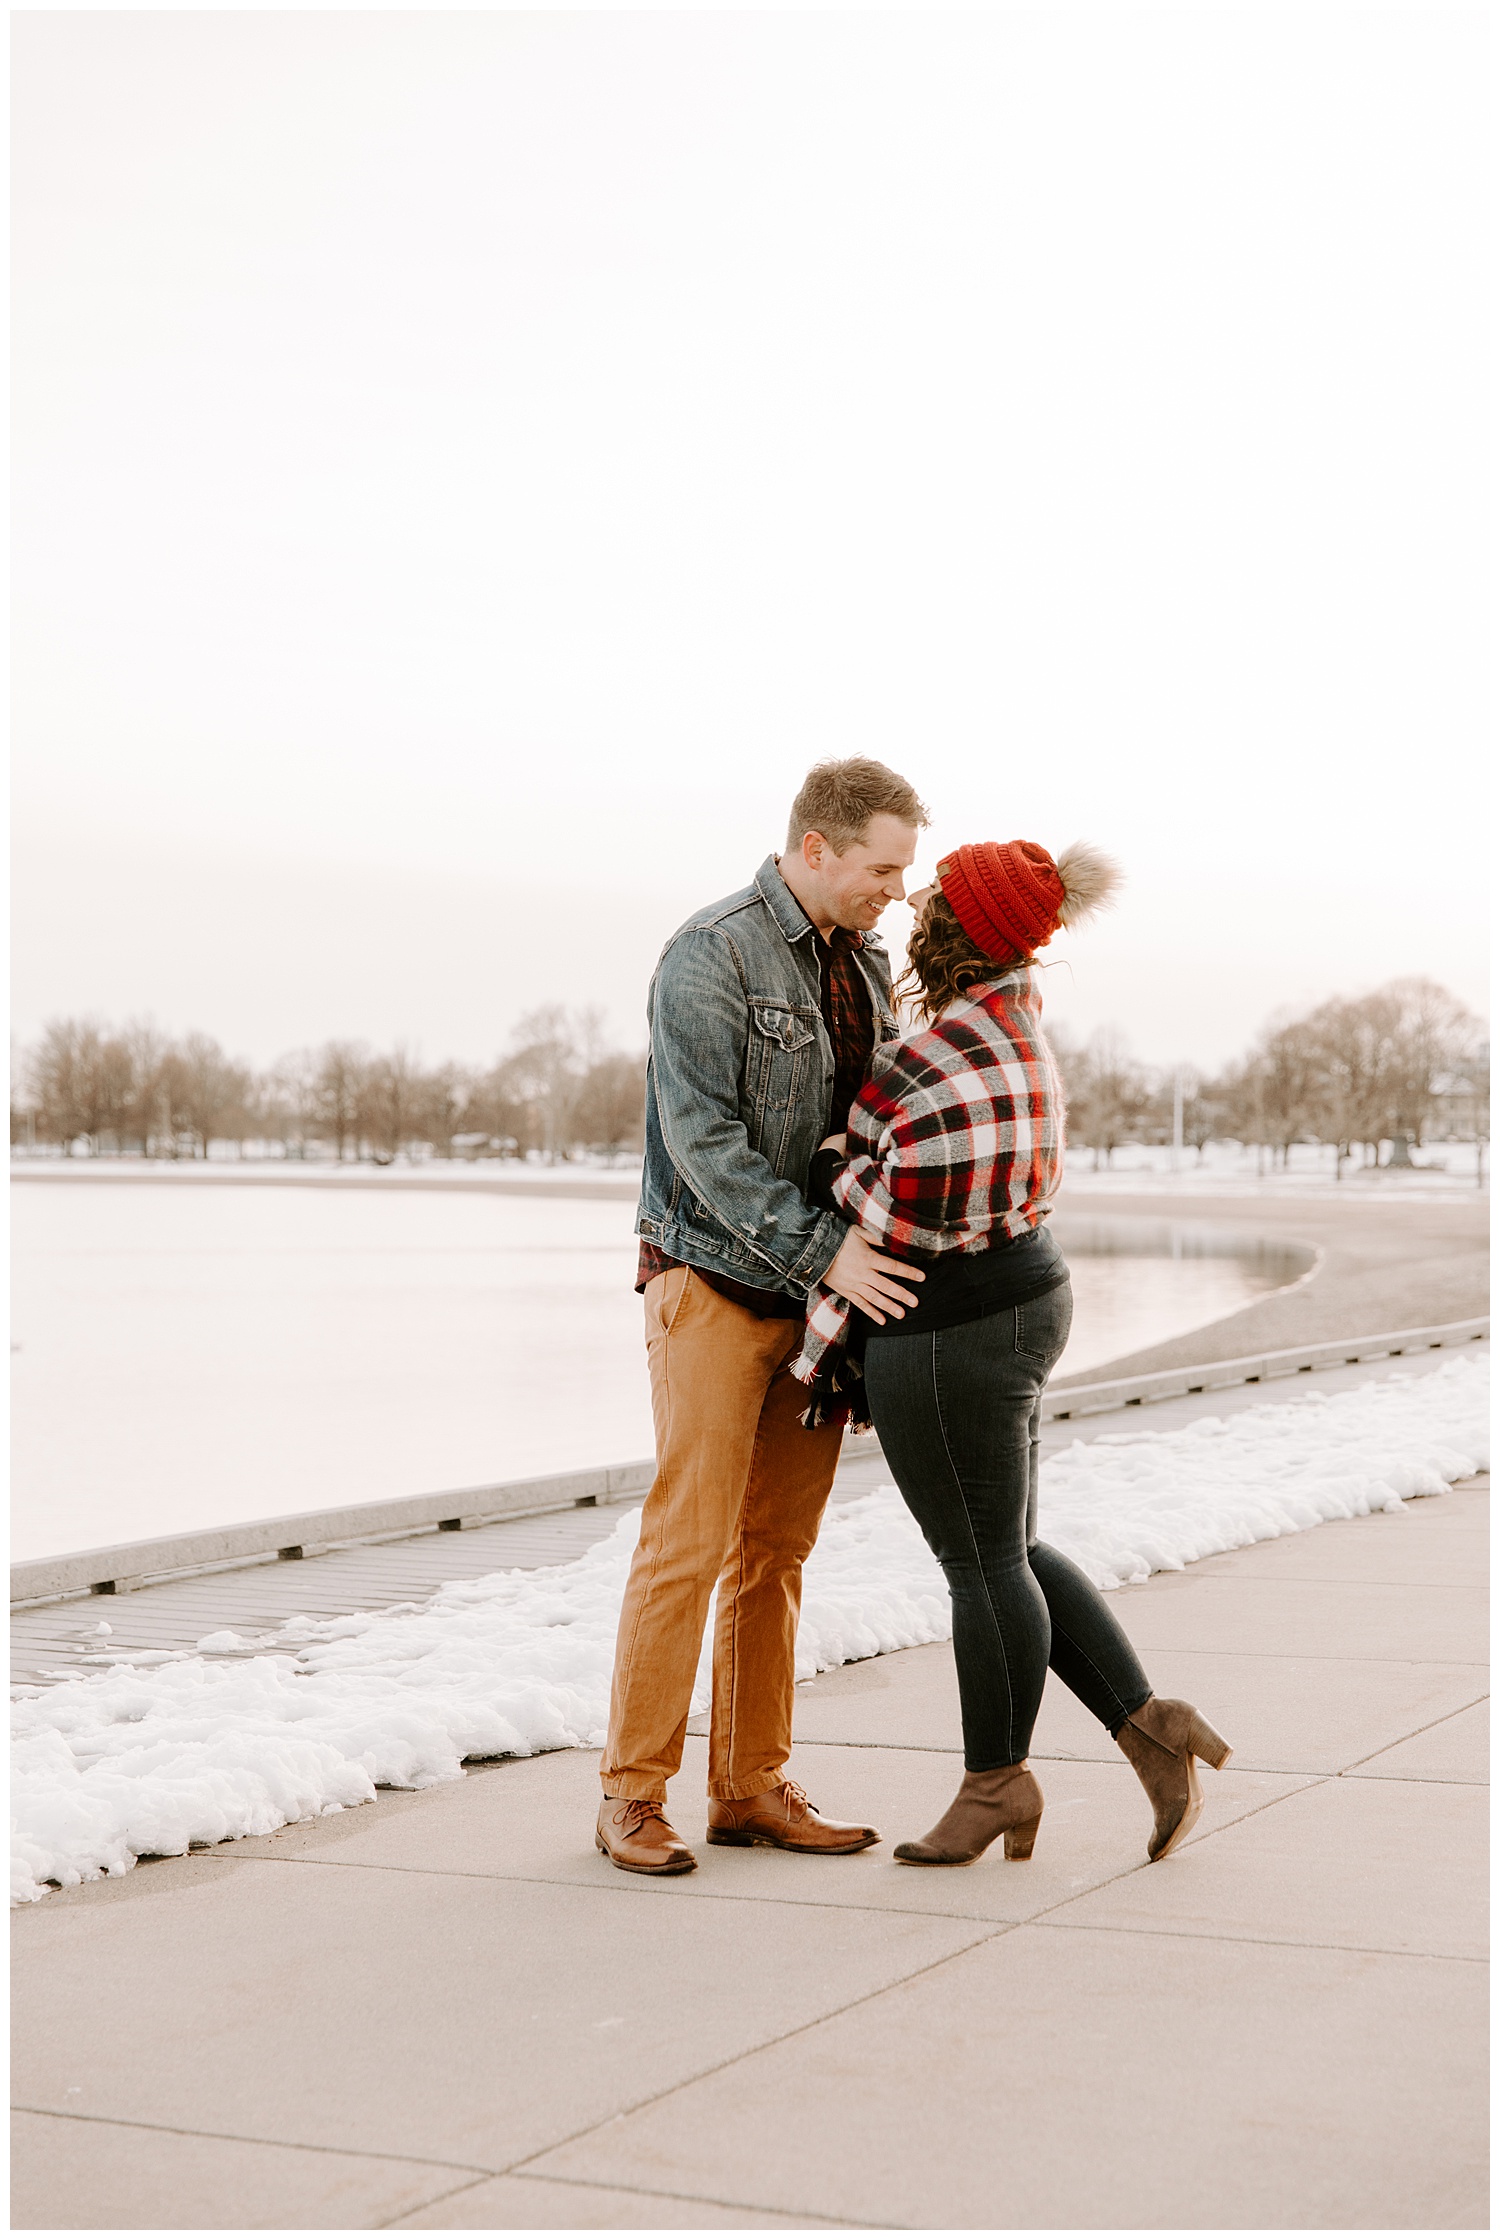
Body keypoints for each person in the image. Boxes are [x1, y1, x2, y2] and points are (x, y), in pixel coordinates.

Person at [794, 839, 1233, 1867]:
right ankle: (1150, 1727)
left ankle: (996, 1782)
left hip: (953, 1329)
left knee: (981, 1561)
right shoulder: (1014, 1020)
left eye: (935, 898)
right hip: (1027, 1297)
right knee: (1013, 1550)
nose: (917, 908)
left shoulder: (940, 1051)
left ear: (960, 928)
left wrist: (829, 1165)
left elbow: (898, 1201)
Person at [596, 757, 932, 1875]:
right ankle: (633, 1794)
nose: (895, 888)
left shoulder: (868, 962)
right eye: (883, 867)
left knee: (776, 1551)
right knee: (686, 1540)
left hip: (818, 1307)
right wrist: (833, 1251)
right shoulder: (712, 950)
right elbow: (704, 1145)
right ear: (820, 847)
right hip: (710, 1281)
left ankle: (748, 1786)